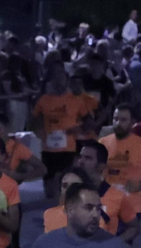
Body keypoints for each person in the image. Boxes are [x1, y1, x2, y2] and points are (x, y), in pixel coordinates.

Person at [31, 67, 96, 200]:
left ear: (67, 81)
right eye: (55, 78)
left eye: (61, 78)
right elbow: (33, 120)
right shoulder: (44, 100)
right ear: (51, 81)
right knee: (49, 190)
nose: (58, 81)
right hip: (48, 147)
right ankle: (51, 210)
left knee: (67, 181)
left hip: (68, 147)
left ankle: (65, 210)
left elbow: (89, 120)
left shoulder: (75, 100)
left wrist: (79, 128)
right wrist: (38, 130)